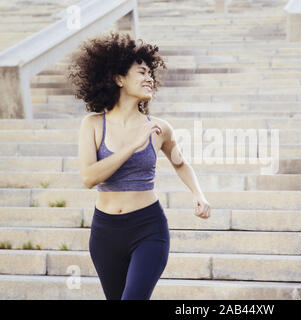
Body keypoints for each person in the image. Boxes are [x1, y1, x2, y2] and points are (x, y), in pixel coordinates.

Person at [69, 32, 211, 300]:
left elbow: (180, 163)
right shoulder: (92, 125)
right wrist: (131, 147)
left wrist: (198, 194)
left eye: (150, 73)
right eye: (141, 72)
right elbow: (89, 177)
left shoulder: (158, 128)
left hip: (148, 229)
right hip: (105, 233)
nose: (150, 79)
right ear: (119, 78)